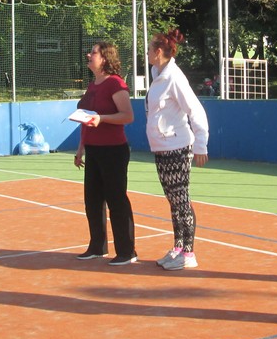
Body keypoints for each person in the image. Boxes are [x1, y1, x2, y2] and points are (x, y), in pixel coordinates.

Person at [146, 28, 209, 271]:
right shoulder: (157, 75)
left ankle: (189, 253)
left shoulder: (174, 77)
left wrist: (201, 144)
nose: (147, 53)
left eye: (149, 49)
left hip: (178, 148)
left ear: (158, 52)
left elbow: (195, 109)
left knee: (181, 201)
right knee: (173, 201)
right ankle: (178, 247)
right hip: (162, 148)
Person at [73, 41, 137, 265]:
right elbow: (86, 117)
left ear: (105, 58)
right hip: (93, 150)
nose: (88, 55)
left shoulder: (115, 83)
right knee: (92, 200)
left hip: (113, 151)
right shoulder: (93, 85)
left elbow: (127, 116)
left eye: (93, 52)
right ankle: (97, 247)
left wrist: (102, 119)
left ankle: (127, 251)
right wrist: (81, 148)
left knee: (116, 200)